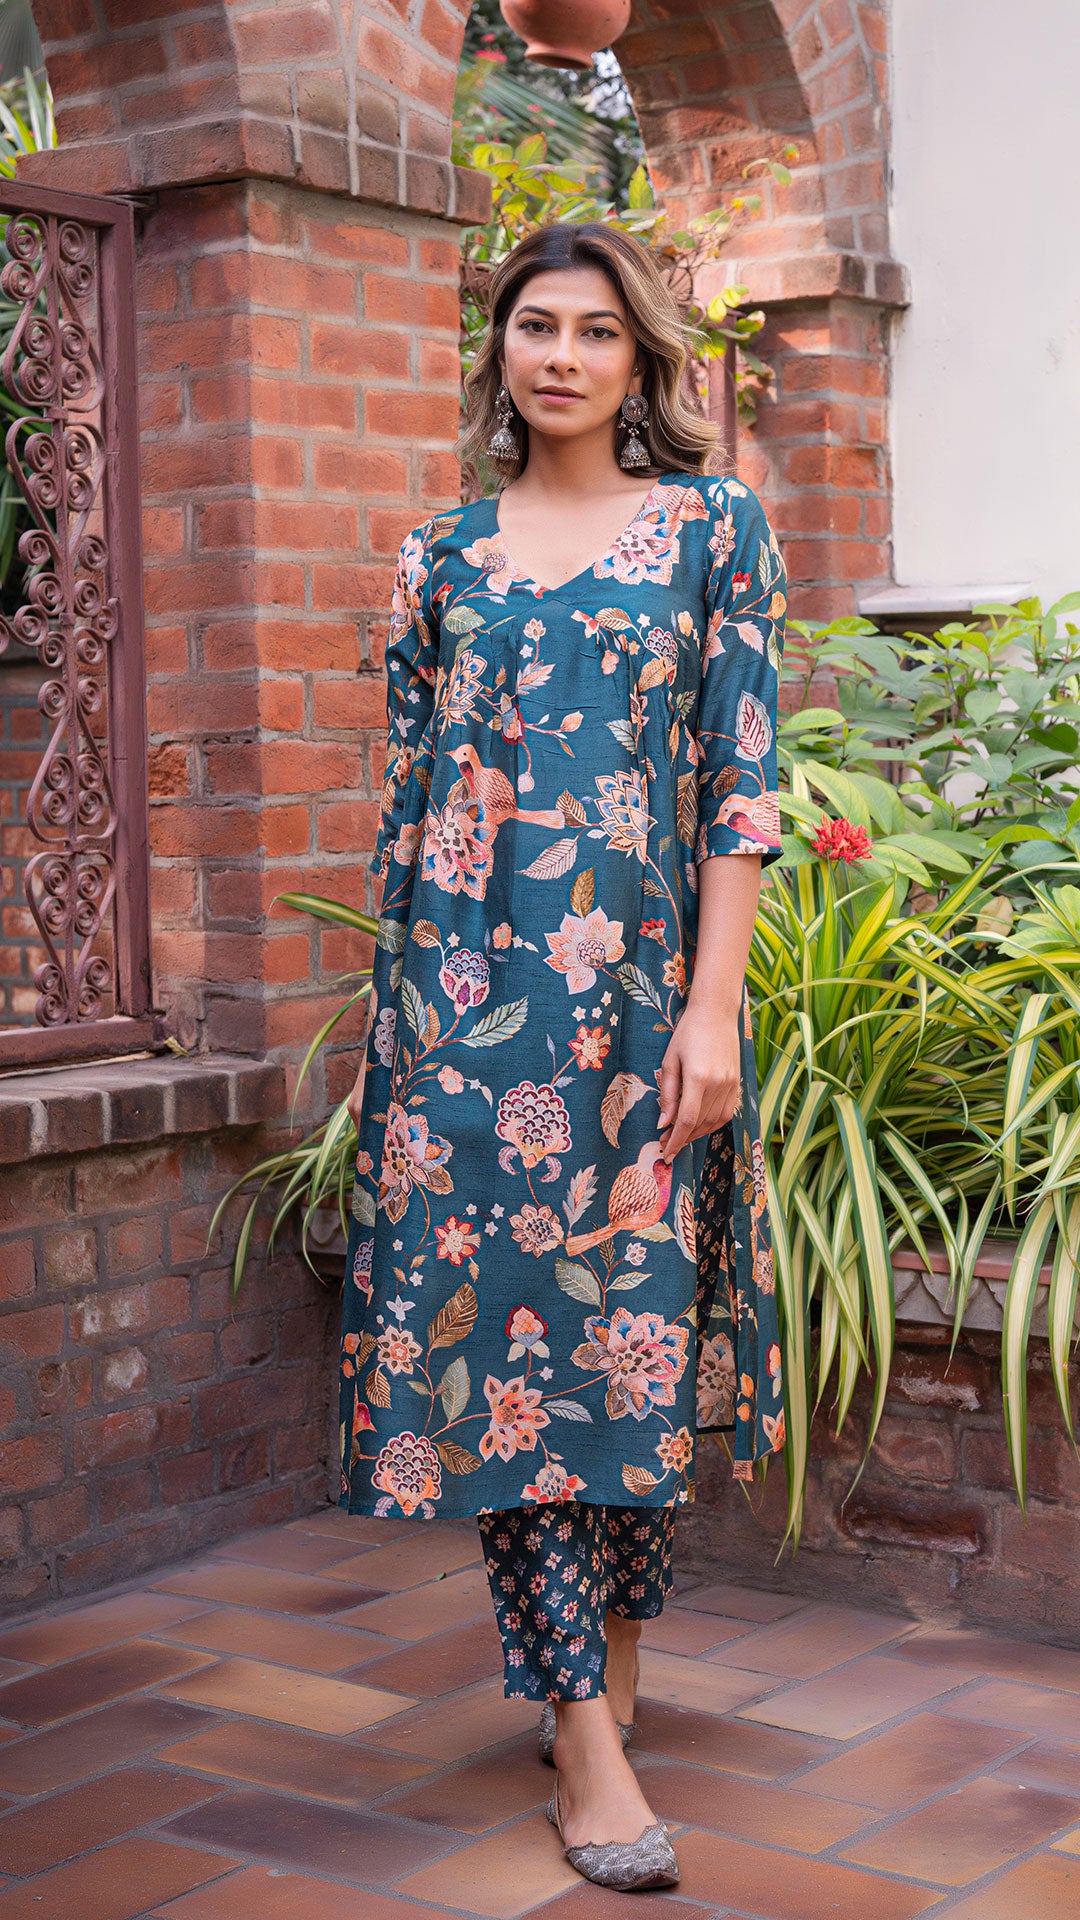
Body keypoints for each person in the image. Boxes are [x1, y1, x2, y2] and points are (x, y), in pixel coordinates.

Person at [339, 220, 786, 1893]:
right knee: (514, 1347)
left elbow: (739, 785)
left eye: (599, 332)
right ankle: (583, 1734)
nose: (564, 358)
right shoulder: (439, 554)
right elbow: (414, 801)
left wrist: (712, 1010)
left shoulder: (713, 529)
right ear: (500, 348)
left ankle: (614, 1642)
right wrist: (399, 1030)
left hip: (646, 1009)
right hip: (463, 1014)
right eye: (538, 326)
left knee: (635, 1339)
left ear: (642, 358)